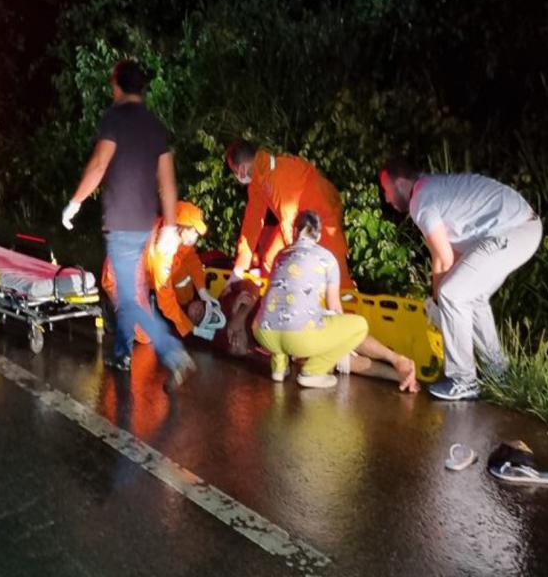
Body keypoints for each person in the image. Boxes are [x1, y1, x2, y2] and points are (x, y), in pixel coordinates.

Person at [62, 60, 195, 389]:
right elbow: (168, 180)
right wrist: (168, 227)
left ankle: (172, 352)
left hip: (121, 223)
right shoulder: (155, 125)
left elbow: (98, 164)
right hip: (145, 224)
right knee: (127, 290)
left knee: (129, 297)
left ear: (116, 86)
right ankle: (121, 352)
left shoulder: (115, 118)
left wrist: (75, 201)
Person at [379, 159, 542, 401]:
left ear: (401, 183)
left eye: (387, 190)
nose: (387, 199)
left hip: (513, 231)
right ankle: (499, 373)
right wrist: (436, 300)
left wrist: (438, 301)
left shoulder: (421, 200)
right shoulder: (432, 190)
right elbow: (446, 258)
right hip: (522, 228)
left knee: (454, 295)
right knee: (470, 297)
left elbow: (443, 260)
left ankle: (463, 380)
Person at [218, 279, 418, 391]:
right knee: (341, 358)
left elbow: (250, 287)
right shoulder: (249, 344)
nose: (233, 341)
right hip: (297, 343)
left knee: (344, 336)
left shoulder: (239, 303)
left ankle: (395, 360)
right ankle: (397, 374)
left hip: (299, 319)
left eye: (232, 333)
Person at [252, 211, 368, 388]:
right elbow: (334, 307)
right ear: (319, 235)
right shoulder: (327, 258)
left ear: (294, 232)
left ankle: (279, 368)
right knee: (360, 326)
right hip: (298, 338)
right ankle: (313, 371)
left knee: (282, 308)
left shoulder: (281, 255)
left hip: (263, 332)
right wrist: (340, 343)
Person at [225, 140, 353, 291]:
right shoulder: (260, 178)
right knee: (270, 261)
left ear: (241, 169)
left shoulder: (276, 175)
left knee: (336, 276)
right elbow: (252, 224)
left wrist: (296, 265)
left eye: (234, 172)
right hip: (298, 223)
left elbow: (290, 221)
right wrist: (239, 268)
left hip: (323, 220)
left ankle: (348, 308)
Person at [101, 201, 219, 342]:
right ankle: (113, 309)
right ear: (182, 228)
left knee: (181, 275)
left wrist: (202, 291)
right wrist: (190, 328)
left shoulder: (176, 235)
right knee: (146, 336)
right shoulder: (162, 253)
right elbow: (166, 301)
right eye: (194, 231)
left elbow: (191, 260)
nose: (196, 237)